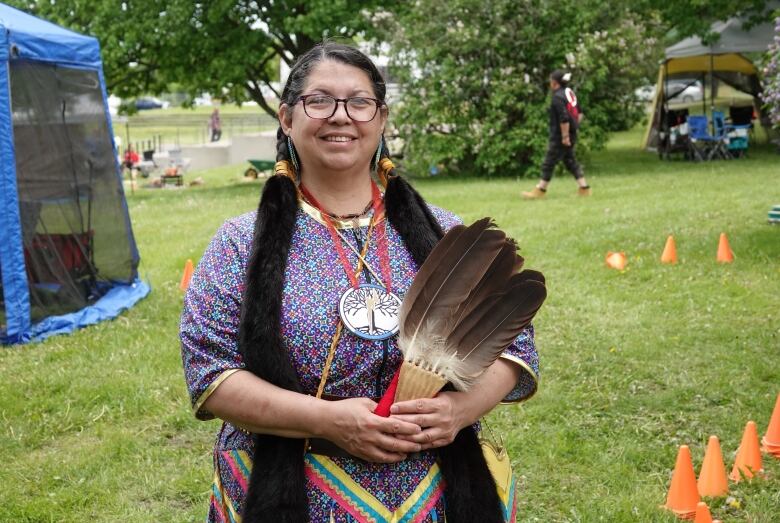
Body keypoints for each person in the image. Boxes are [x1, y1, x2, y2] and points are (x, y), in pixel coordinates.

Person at [181, 42, 540, 523]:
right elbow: (211, 373)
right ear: (287, 118)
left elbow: (512, 343)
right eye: (320, 100)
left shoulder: (444, 232)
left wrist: (461, 410)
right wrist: (325, 419)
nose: (341, 116)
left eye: (359, 102)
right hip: (288, 489)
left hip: (442, 490)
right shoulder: (238, 242)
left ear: (381, 118)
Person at [522, 70, 591, 199]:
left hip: (561, 136)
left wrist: (565, 136)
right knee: (570, 161)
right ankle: (584, 188)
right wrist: (574, 129)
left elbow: (563, 118)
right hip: (571, 133)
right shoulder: (569, 93)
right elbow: (580, 113)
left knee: (549, 162)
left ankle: (540, 190)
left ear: (554, 82)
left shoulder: (557, 97)